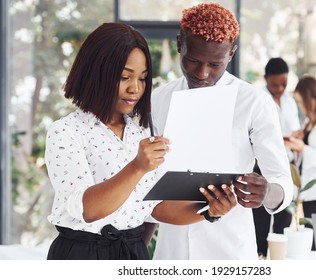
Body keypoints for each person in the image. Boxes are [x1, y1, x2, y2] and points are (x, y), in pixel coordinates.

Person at [44, 22, 237, 260]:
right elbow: (88, 210)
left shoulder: (141, 132)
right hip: (82, 255)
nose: (135, 89)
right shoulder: (66, 131)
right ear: (96, 73)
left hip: (133, 253)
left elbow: (156, 207)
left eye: (143, 78)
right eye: (125, 77)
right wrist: (138, 166)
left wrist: (210, 211)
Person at [151, 3, 293, 260]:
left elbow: (283, 179)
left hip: (229, 250)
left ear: (231, 54)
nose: (202, 73)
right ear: (179, 43)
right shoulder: (158, 100)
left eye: (215, 64)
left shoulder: (254, 102)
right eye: (193, 60)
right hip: (172, 252)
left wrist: (267, 192)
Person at [252, 57, 301, 259]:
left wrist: (296, 137)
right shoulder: (258, 99)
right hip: (261, 168)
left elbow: (295, 130)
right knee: (260, 221)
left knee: (284, 219)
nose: (280, 88)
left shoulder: (290, 102)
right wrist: (282, 139)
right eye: (275, 84)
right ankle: (259, 258)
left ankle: (279, 262)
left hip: (287, 166)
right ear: (266, 79)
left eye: (284, 84)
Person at [284, 75, 316, 249]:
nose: (300, 107)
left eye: (301, 102)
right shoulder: (310, 121)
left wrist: (303, 148)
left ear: (311, 98)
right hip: (309, 191)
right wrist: (297, 141)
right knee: (312, 247)